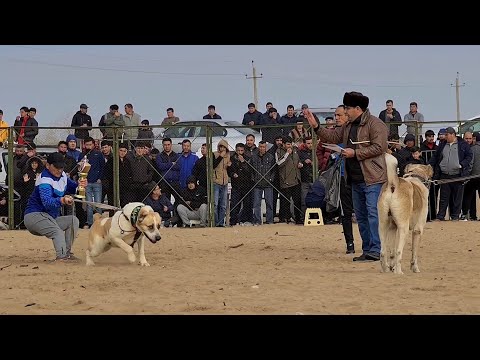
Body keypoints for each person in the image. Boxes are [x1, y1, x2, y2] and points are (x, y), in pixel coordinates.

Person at [304, 91, 388, 262]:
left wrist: (355, 152)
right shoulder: (348, 126)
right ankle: (368, 250)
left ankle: (377, 249)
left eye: (348, 108)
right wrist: (316, 127)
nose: (345, 112)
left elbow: (379, 147)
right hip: (355, 178)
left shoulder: (375, 124)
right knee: (362, 216)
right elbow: (333, 137)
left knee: (373, 214)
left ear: (358, 108)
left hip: (372, 178)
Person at [23, 152, 87, 262]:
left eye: (61, 167)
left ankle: (66, 254)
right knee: (57, 232)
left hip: (50, 217)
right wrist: (62, 200)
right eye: (57, 167)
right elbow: (47, 202)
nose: (60, 170)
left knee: (72, 221)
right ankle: (61, 257)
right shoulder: (44, 180)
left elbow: (73, 188)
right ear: (48, 166)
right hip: (34, 216)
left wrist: (81, 185)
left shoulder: (62, 176)